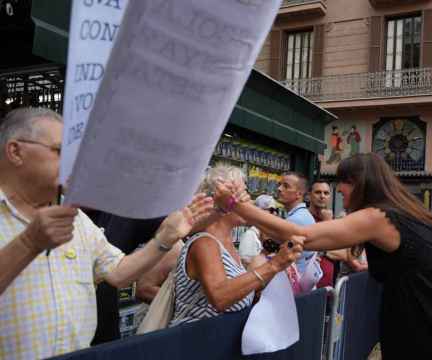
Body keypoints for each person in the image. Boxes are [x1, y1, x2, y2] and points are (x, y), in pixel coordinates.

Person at [214, 153, 432, 359]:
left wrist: (236, 204)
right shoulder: (406, 212)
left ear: (358, 183)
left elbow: (301, 236)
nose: (339, 193)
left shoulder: (378, 216)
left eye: (342, 186)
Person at [0, 107, 213, 359]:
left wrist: (165, 237)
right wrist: (29, 242)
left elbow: (119, 273)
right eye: (61, 152)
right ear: (15, 151)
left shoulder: (77, 220)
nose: (74, 165)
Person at [170, 165, 302, 326]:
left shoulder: (227, 244)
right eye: (243, 193)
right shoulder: (204, 243)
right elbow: (220, 297)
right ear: (221, 199)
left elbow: (236, 295)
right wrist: (274, 265)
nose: (249, 201)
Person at [277, 172, 316, 275]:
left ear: (299, 194)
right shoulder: (302, 214)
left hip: (295, 284)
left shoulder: (296, 219)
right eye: (279, 184)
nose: (279, 189)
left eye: (286, 186)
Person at [237, 194, 279, 267]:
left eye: (276, 210)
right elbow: (246, 263)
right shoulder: (250, 235)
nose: (275, 213)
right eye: (271, 210)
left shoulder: (265, 233)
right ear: (259, 211)